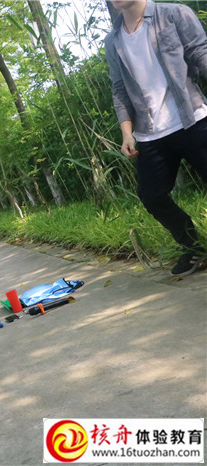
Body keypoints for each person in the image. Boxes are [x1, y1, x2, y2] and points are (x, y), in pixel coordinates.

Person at [105, 0, 207, 277]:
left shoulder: (173, 14)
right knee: (151, 195)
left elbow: (201, 54)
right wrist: (127, 133)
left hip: (192, 117)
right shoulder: (113, 41)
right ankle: (194, 247)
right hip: (150, 132)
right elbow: (119, 89)